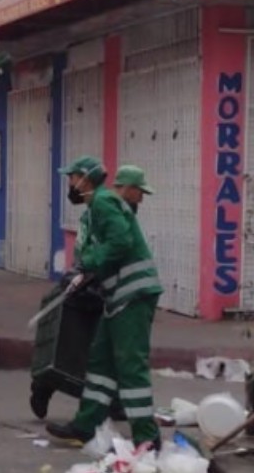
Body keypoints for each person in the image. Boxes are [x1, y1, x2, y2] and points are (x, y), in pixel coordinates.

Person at [46, 155, 163, 452]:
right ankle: (85, 427)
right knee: (100, 363)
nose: (70, 184)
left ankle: (147, 437)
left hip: (132, 296)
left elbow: (120, 243)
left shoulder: (102, 202)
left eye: (72, 178)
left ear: (85, 179)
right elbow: (107, 248)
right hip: (118, 299)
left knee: (130, 366)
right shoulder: (97, 207)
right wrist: (88, 271)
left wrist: (90, 264)